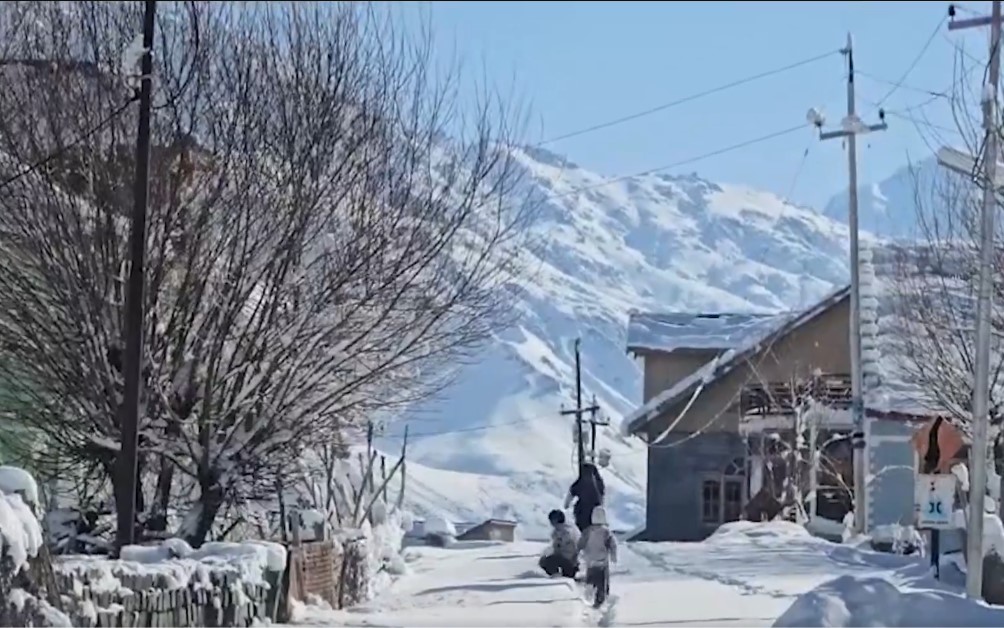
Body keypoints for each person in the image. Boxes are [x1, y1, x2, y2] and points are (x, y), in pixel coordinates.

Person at [577, 505, 617, 608]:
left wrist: (578, 552)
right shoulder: (606, 532)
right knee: (602, 581)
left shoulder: (587, 531)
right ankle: (601, 598)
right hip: (602, 562)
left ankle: (589, 592)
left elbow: (580, 543)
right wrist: (613, 555)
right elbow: (612, 544)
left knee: (590, 577)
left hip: (590, 561)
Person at [564, 462, 606, 533]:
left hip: (582, 511)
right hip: (595, 512)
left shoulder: (580, 482)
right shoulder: (598, 483)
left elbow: (570, 494)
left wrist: (567, 505)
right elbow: (602, 496)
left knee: (582, 530)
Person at [538, 509, 579, 578]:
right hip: (566, 559)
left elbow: (563, 545)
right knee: (545, 560)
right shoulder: (559, 530)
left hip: (569, 560)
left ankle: (557, 575)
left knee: (547, 561)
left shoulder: (566, 531)